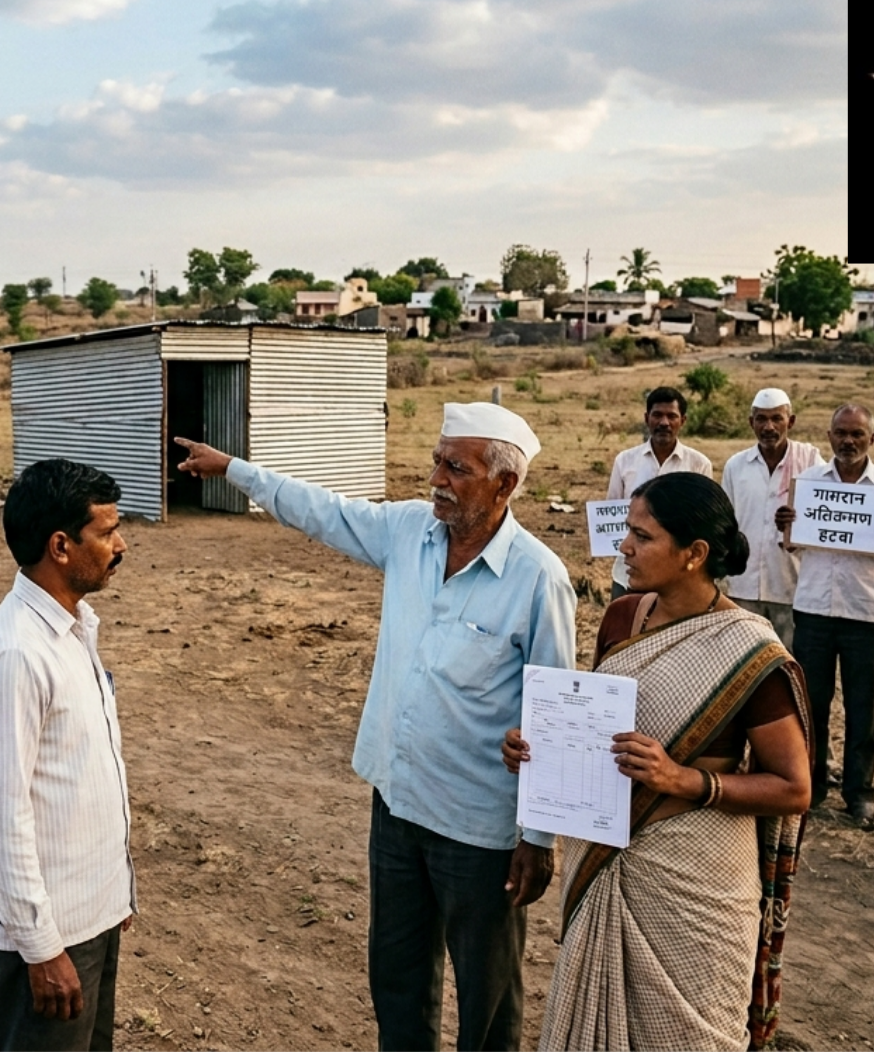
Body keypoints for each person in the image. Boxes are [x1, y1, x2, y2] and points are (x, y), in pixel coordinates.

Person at [176, 403, 575, 1052]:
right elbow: (323, 510)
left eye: (457, 468)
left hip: (479, 830)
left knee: (488, 997)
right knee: (397, 980)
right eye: (436, 463)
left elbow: (554, 711)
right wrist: (235, 470)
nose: (438, 480)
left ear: (504, 485)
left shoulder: (539, 579)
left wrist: (540, 837)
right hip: (397, 805)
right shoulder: (408, 532)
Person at [504, 473, 811, 1052]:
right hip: (605, 863)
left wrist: (685, 779)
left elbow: (794, 788)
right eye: (626, 531)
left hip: (695, 884)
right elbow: (599, 728)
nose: (623, 547)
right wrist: (541, 748)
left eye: (642, 537)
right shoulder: (622, 619)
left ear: (694, 554)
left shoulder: (752, 651)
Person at [0, 458, 136, 1052]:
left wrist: (114, 897)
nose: (121, 545)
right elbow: (1, 817)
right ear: (60, 546)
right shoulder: (16, 654)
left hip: (90, 917)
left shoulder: (73, 627)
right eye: (107, 532)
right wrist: (41, 949)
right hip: (50, 936)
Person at [773, 404, 874, 826]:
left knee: (862, 707)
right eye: (840, 433)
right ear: (828, 436)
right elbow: (793, 544)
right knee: (810, 704)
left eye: (857, 433)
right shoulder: (808, 483)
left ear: (873, 438)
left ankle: (859, 792)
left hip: (866, 612)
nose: (848, 441)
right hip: (814, 608)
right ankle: (811, 785)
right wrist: (787, 528)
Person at [719, 388, 823, 647]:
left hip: (792, 586)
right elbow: (725, 522)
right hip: (743, 587)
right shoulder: (736, 466)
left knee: (787, 665)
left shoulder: (811, 463)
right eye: (761, 419)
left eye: (777, 418)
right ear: (750, 422)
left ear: (791, 421)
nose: (769, 427)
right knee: (745, 666)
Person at [606, 387, 713, 599]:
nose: (664, 422)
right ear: (647, 418)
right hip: (628, 576)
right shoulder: (625, 461)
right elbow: (612, 514)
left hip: (676, 581)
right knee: (626, 631)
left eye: (672, 416)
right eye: (657, 415)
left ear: (683, 420)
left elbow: (703, 523)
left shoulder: (698, 464)